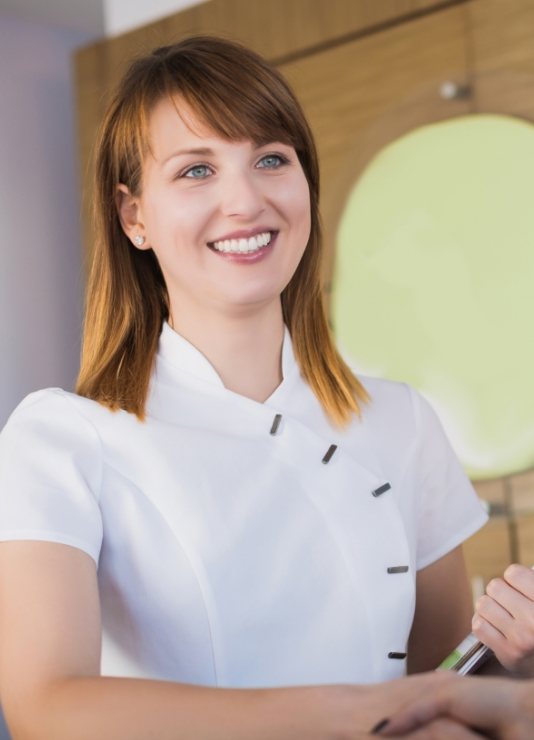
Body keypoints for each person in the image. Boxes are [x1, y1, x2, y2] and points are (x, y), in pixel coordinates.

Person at [0, 36, 489, 738]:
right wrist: (360, 713)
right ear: (134, 216)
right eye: (197, 170)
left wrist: (509, 664)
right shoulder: (62, 439)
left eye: (270, 159)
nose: (245, 200)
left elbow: (442, 685)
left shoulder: (402, 421)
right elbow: (48, 708)